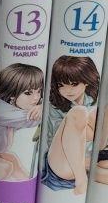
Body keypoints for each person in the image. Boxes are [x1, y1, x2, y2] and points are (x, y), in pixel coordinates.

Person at [42, 55, 100, 195]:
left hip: (86, 162)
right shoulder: (54, 106)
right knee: (79, 112)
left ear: (87, 81)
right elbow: (64, 138)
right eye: (61, 85)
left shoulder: (94, 102)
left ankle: (83, 174)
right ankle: (81, 179)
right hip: (60, 162)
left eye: (74, 84)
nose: (68, 90)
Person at [0, 63, 44, 182]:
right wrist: (42, 108)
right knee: (8, 166)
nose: (36, 98)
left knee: (13, 161)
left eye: (39, 91)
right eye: (28, 93)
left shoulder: (10, 106)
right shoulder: (4, 111)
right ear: (12, 94)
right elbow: (34, 119)